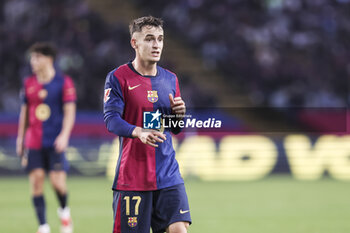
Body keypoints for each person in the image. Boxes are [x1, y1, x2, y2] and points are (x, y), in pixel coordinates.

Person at [103, 16, 191, 233]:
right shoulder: (118, 77)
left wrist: (179, 116)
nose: (156, 45)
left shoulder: (170, 79)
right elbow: (111, 120)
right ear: (135, 43)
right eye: (150, 39)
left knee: (179, 229)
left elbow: (173, 128)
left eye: (160, 39)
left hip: (167, 173)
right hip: (133, 178)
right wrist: (137, 132)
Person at [16, 42, 76, 233]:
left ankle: (64, 212)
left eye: (37, 57)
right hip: (33, 140)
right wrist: (20, 139)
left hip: (54, 140)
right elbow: (24, 114)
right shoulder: (28, 83)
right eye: (32, 58)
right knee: (37, 180)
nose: (33, 61)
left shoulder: (63, 82)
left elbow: (70, 111)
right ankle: (43, 226)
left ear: (48, 59)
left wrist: (65, 135)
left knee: (58, 183)